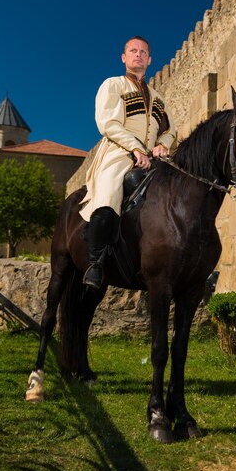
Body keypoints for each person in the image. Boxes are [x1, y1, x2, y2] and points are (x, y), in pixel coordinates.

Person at [79, 36, 176, 288]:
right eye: (133, 51)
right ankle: (95, 263)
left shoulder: (158, 98)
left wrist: (162, 144)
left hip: (152, 158)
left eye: (143, 52)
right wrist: (134, 147)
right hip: (118, 151)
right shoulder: (113, 85)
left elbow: (169, 129)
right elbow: (107, 123)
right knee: (109, 192)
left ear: (150, 59)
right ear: (124, 57)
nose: (138, 55)